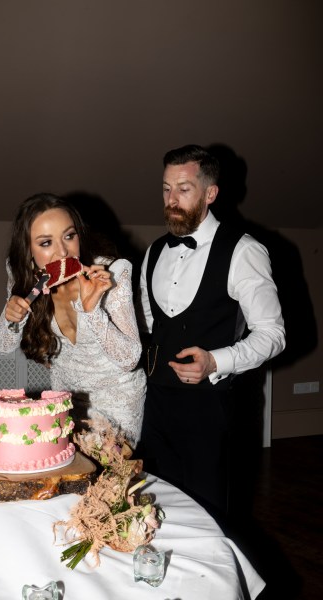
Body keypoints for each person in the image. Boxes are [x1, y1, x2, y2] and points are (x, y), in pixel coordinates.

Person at [136, 144, 285, 518]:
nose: (172, 199)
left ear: (210, 193)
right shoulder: (153, 252)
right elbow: (151, 326)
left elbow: (273, 333)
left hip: (214, 409)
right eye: (166, 188)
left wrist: (216, 361)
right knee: (155, 510)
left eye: (184, 189)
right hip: (156, 406)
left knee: (210, 516)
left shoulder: (244, 251)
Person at [0, 193, 146, 447]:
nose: (62, 252)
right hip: (66, 397)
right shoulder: (26, 276)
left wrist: (92, 310)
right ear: (28, 252)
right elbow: (3, 345)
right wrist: (11, 315)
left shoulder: (113, 273)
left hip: (118, 399)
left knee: (105, 481)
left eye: (69, 236)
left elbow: (129, 359)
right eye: (45, 243)